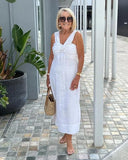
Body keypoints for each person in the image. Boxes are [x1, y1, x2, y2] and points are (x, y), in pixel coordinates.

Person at [46, 8, 84, 155]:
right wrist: (48, 76)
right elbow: (51, 57)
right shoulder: (54, 36)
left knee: (70, 107)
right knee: (60, 107)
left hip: (71, 79)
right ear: (58, 21)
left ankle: (69, 140)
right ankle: (65, 133)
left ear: (73, 21)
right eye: (63, 18)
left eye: (69, 18)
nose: (66, 21)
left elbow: (81, 57)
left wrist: (78, 76)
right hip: (56, 79)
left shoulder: (77, 35)